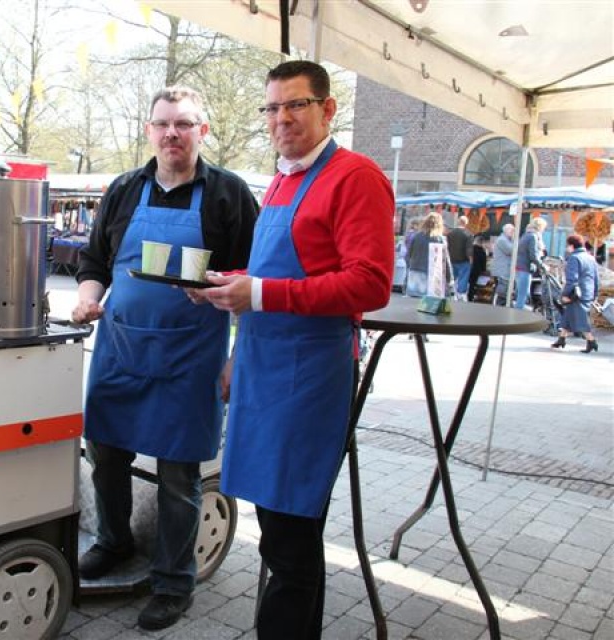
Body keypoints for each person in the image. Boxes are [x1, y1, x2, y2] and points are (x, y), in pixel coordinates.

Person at [193, 60, 394, 639]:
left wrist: (259, 292)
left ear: (328, 109)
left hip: (309, 378)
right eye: (273, 107)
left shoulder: (356, 177)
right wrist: (229, 288)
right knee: (280, 535)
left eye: (296, 105)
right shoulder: (282, 179)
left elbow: (370, 284)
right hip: (264, 369)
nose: (282, 118)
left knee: (291, 537)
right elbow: (274, 272)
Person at [70, 86, 257, 631]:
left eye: (184, 123)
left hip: (190, 357)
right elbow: (95, 261)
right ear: (150, 130)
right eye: (163, 124)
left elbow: (255, 281)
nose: (172, 133)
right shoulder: (125, 189)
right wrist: (87, 298)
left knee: (179, 474)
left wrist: (238, 358)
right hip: (121, 349)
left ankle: (174, 581)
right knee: (105, 453)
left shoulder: (228, 194)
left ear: (202, 130)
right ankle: (115, 541)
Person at [551, 234, 600, 353]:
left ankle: (592, 341)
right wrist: (595, 294)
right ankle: (561, 339)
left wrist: (565, 294)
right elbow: (596, 278)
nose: (566, 248)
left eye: (567, 245)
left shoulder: (574, 258)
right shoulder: (591, 258)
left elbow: (572, 279)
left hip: (576, 293)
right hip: (587, 292)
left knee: (581, 319)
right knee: (568, 315)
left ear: (572, 246)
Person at [404, 212, 448, 299]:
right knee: (428, 303)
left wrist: (410, 267)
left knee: (412, 301)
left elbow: (408, 255)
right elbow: (445, 260)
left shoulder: (417, 236)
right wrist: (449, 279)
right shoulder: (440, 239)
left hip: (415, 273)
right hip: (432, 275)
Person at [513, 217, 547, 310]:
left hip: (519, 267)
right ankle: (517, 315)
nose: (544, 230)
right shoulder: (533, 237)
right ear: (540, 227)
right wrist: (542, 266)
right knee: (523, 296)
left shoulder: (525, 235)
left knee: (521, 294)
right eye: (544, 228)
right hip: (525, 268)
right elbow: (533, 255)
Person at [447, 215, 473, 301]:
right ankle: (460, 293)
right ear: (466, 223)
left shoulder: (450, 233)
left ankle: (451, 292)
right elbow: (469, 248)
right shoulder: (468, 234)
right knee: (463, 277)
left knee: (452, 277)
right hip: (464, 260)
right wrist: (470, 259)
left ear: (458, 222)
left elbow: (447, 246)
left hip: (452, 259)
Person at [491, 223, 515, 305]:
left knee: (503, 289)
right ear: (506, 230)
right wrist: (514, 240)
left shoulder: (506, 240)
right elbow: (511, 251)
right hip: (502, 269)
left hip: (504, 269)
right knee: (502, 289)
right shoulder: (502, 240)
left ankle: (499, 304)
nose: (513, 232)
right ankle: (498, 304)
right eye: (511, 230)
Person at [467, 235, 489, 302]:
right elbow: (483, 264)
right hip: (476, 271)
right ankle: (470, 297)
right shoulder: (482, 252)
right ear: (482, 242)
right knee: (472, 284)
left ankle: (463, 295)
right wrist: (484, 270)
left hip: (467, 269)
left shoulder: (470, 249)